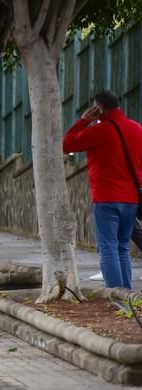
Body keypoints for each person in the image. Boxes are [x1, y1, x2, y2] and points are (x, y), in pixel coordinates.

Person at [63, 90, 142, 289]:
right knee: (122, 247)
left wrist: (83, 121)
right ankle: (126, 295)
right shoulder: (137, 129)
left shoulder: (100, 131)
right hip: (132, 199)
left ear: (99, 108)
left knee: (108, 248)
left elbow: (67, 144)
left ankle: (116, 295)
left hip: (107, 198)